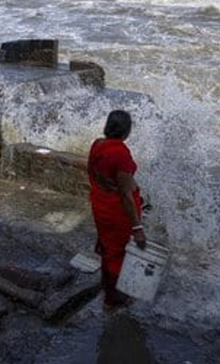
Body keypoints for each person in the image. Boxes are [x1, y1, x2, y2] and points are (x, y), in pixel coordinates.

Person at [88, 109, 146, 307]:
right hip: (117, 211)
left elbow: (97, 175)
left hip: (100, 204)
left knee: (108, 247)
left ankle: (107, 288)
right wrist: (137, 228)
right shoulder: (120, 153)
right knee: (118, 254)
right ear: (126, 131)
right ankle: (113, 299)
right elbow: (125, 195)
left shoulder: (98, 144)